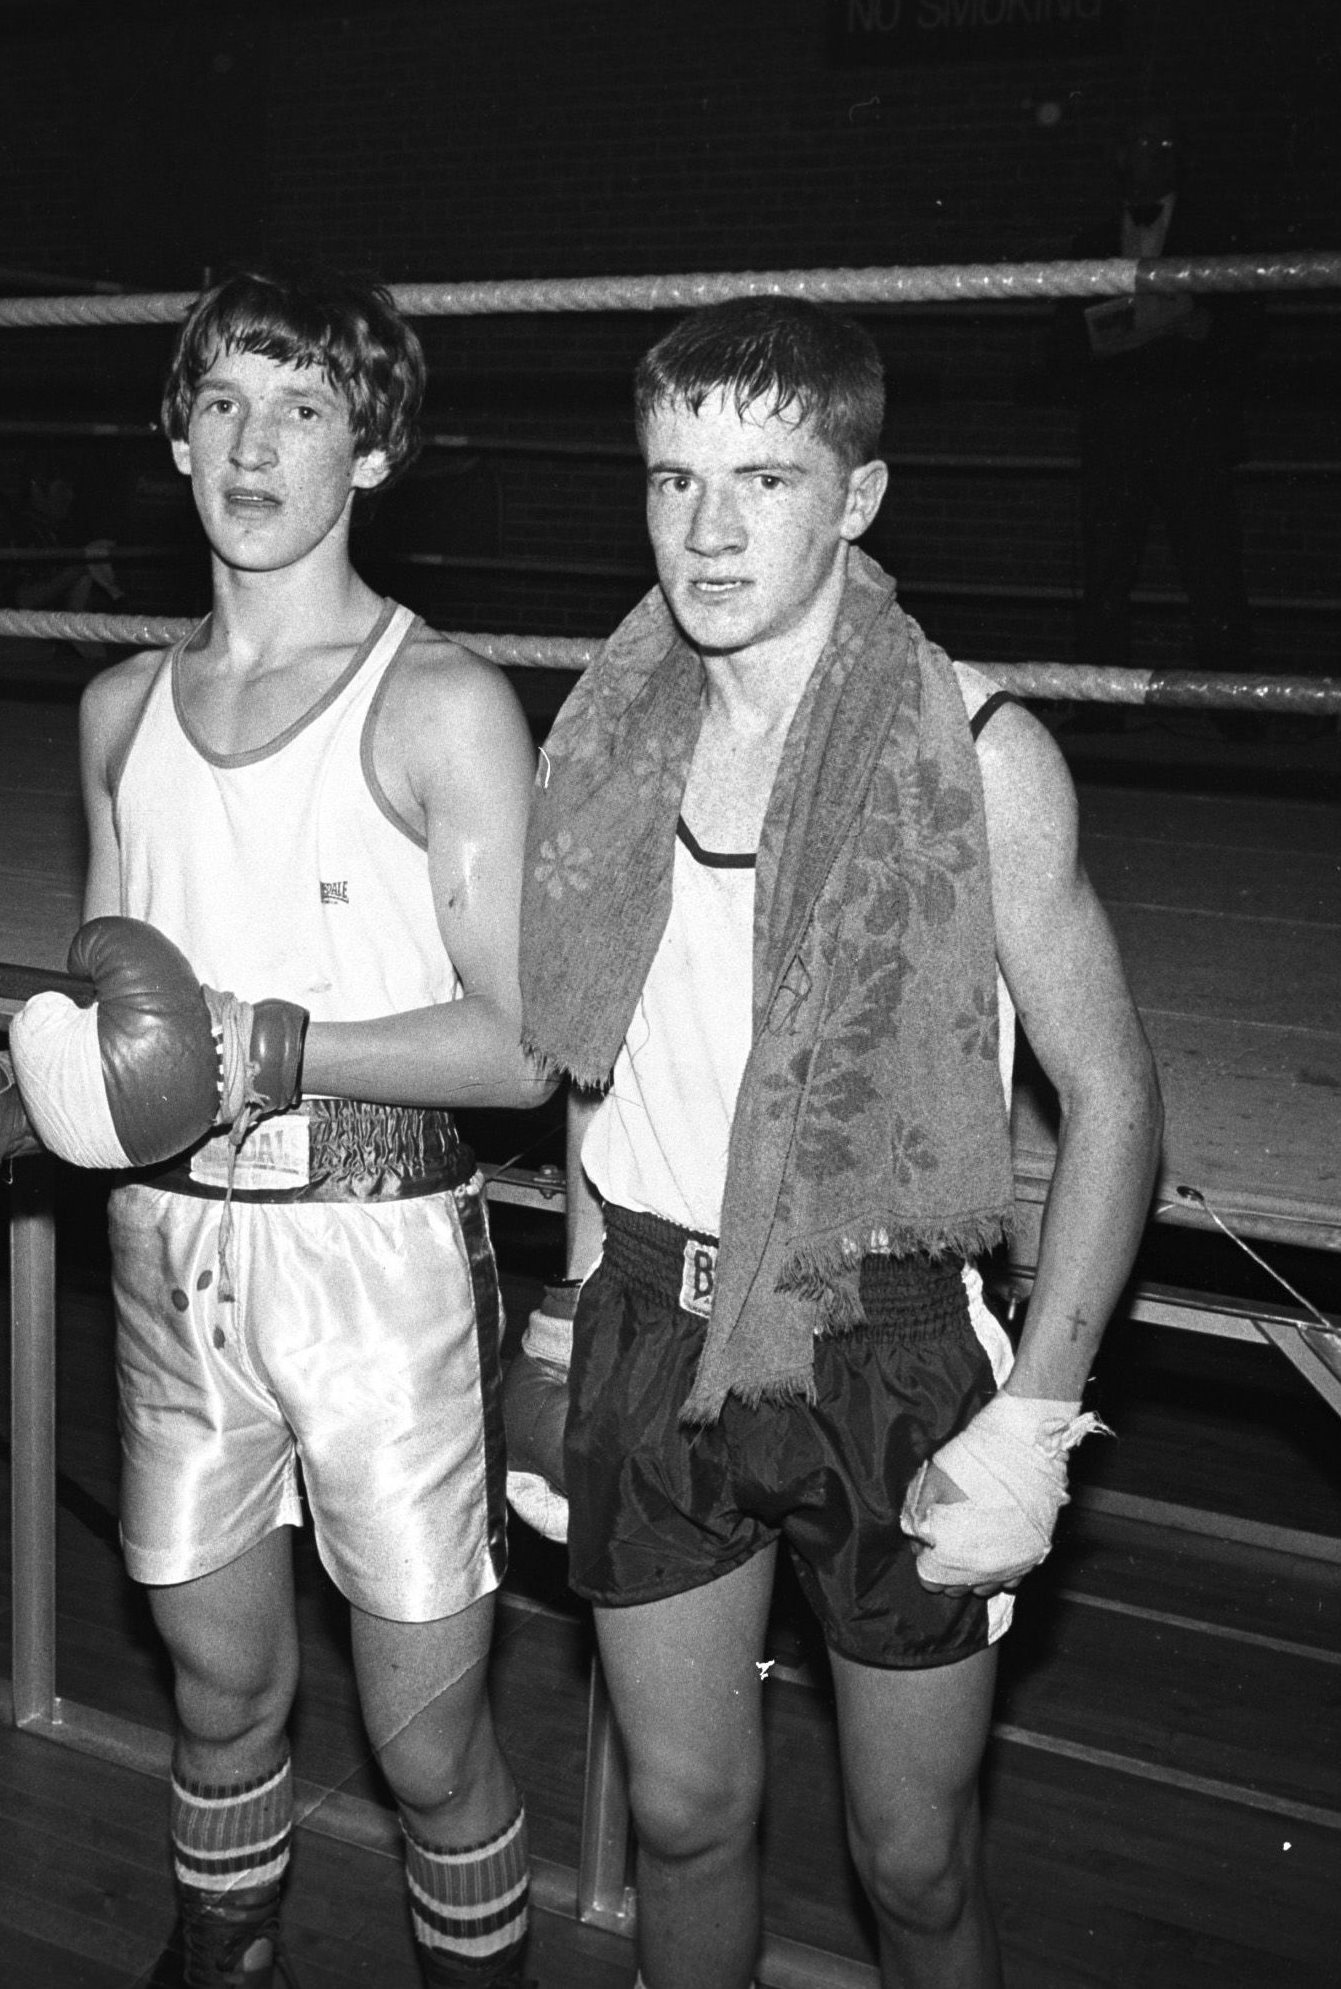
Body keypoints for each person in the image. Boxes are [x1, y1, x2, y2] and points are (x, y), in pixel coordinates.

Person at [507, 298, 1161, 1989]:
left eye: (765, 476)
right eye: (672, 478)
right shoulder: (605, 736)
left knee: (915, 1854)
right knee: (684, 1813)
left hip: (887, 1334)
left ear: (858, 497)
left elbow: (1114, 1093)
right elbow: (599, 1045)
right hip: (656, 1311)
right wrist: (574, 1301)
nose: (707, 530)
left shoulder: (980, 745)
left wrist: (1036, 1412)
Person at [28, 268, 550, 1987]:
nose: (255, 446)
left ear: (373, 452)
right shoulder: (116, 711)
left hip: (378, 1259)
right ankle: (226, 1960)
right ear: (175, 432)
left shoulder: (440, 701)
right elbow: (120, 1031)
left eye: (305, 408)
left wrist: (277, 1045)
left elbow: (523, 1045)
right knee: (220, 1687)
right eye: (226, 404)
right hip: (173, 1251)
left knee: (422, 1745)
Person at [1059, 113, 1261, 683]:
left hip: (1193, 433)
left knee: (1214, 573)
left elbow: (1255, 329)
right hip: (1116, 436)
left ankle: (1237, 712)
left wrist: (1205, 326)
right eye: (1134, 146)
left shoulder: (1218, 233)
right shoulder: (1091, 243)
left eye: (1157, 145)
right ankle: (1098, 708)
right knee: (1104, 577)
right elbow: (1060, 343)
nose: (1145, 157)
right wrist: (1100, 339)